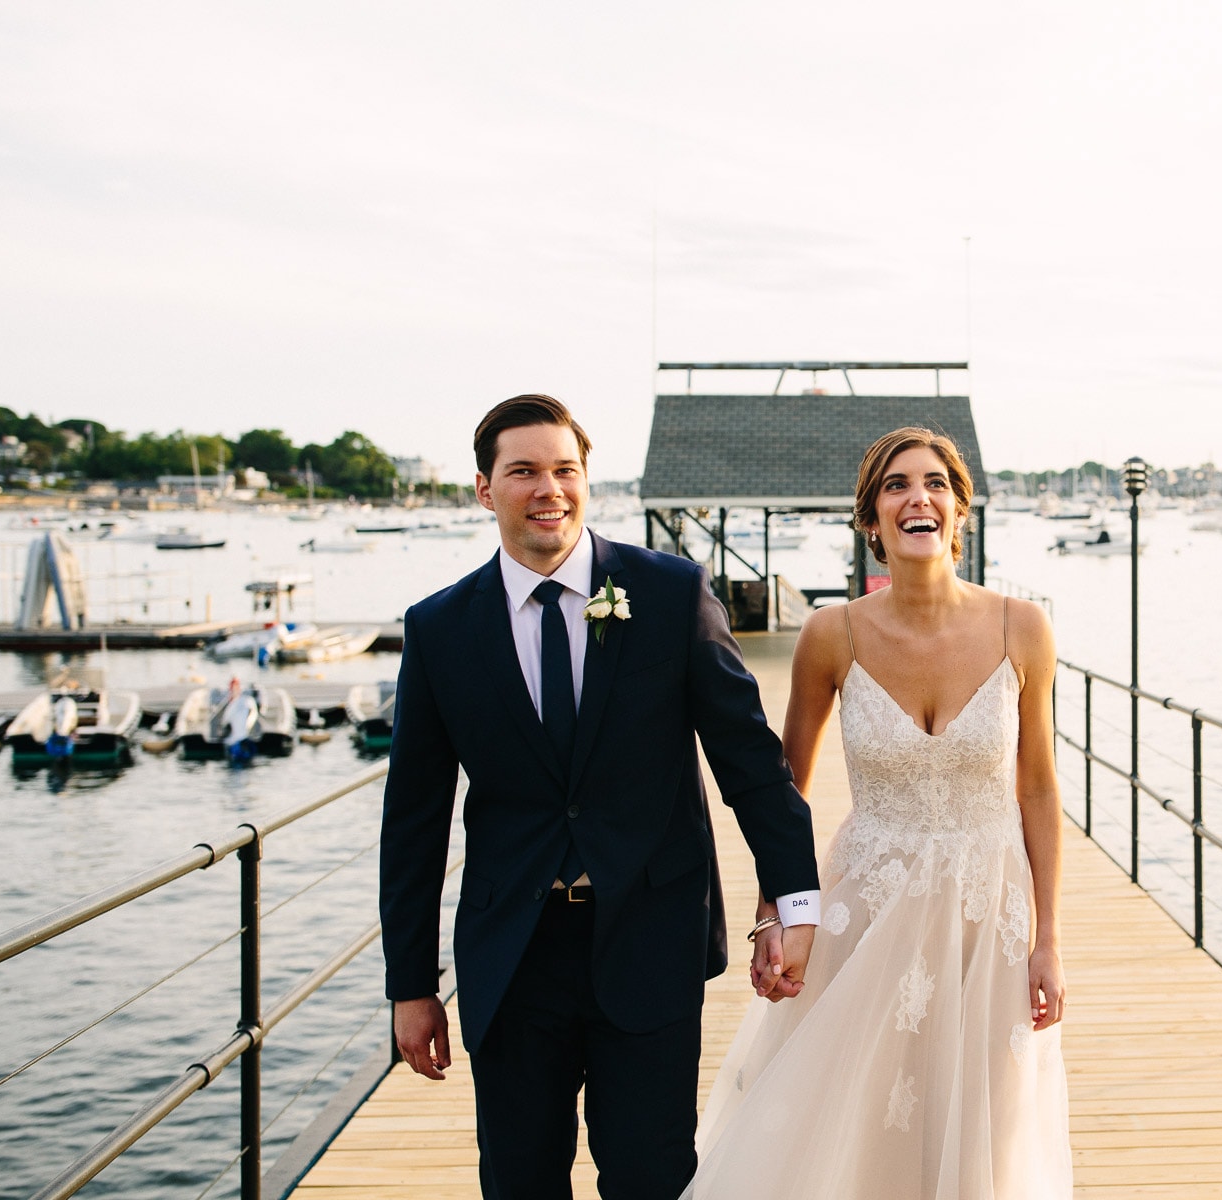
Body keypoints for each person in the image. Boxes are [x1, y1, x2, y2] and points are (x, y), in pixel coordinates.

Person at [379, 394, 822, 1200]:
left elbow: (752, 768)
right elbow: (413, 818)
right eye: (523, 471)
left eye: (564, 470)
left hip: (649, 940)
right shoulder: (440, 628)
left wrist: (794, 904)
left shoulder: (671, 594)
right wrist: (411, 984)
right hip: (511, 954)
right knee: (519, 1181)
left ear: (586, 481)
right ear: (485, 489)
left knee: (651, 1178)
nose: (548, 489)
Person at [679, 427, 1073, 1197]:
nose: (916, 496)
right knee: (855, 1118)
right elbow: (783, 787)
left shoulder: (1021, 627)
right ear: (872, 520)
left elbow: (1038, 789)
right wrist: (775, 914)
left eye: (934, 484)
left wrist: (1049, 940)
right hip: (864, 906)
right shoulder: (834, 633)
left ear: (961, 511)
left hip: (987, 911)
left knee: (985, 1121)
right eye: (895, 485)